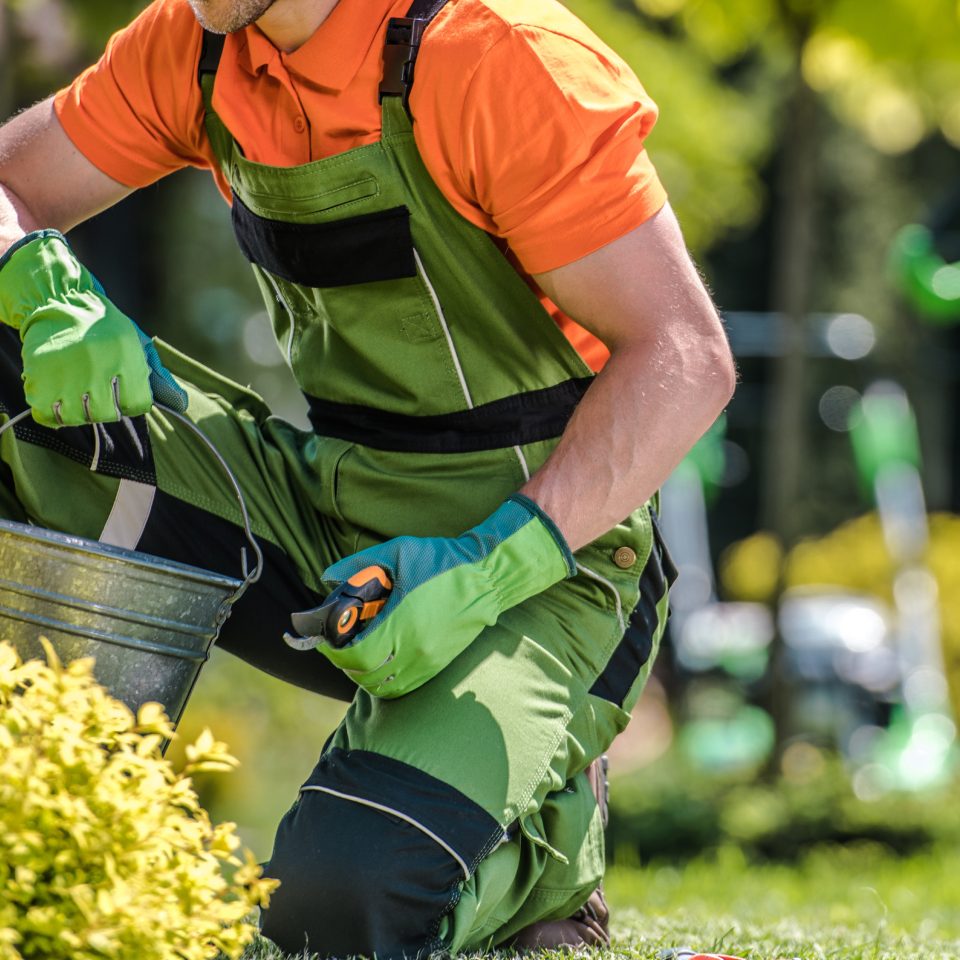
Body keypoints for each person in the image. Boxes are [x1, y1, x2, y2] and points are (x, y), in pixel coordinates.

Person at [0, 0, 736, 955]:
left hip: (551, 567)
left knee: (333, 906)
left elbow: (687, 355)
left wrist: (488, 567)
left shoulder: (500, 59)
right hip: (328, 520)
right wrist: (37, 281)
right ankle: (43, 824)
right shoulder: (197, 41)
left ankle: (545, 858)